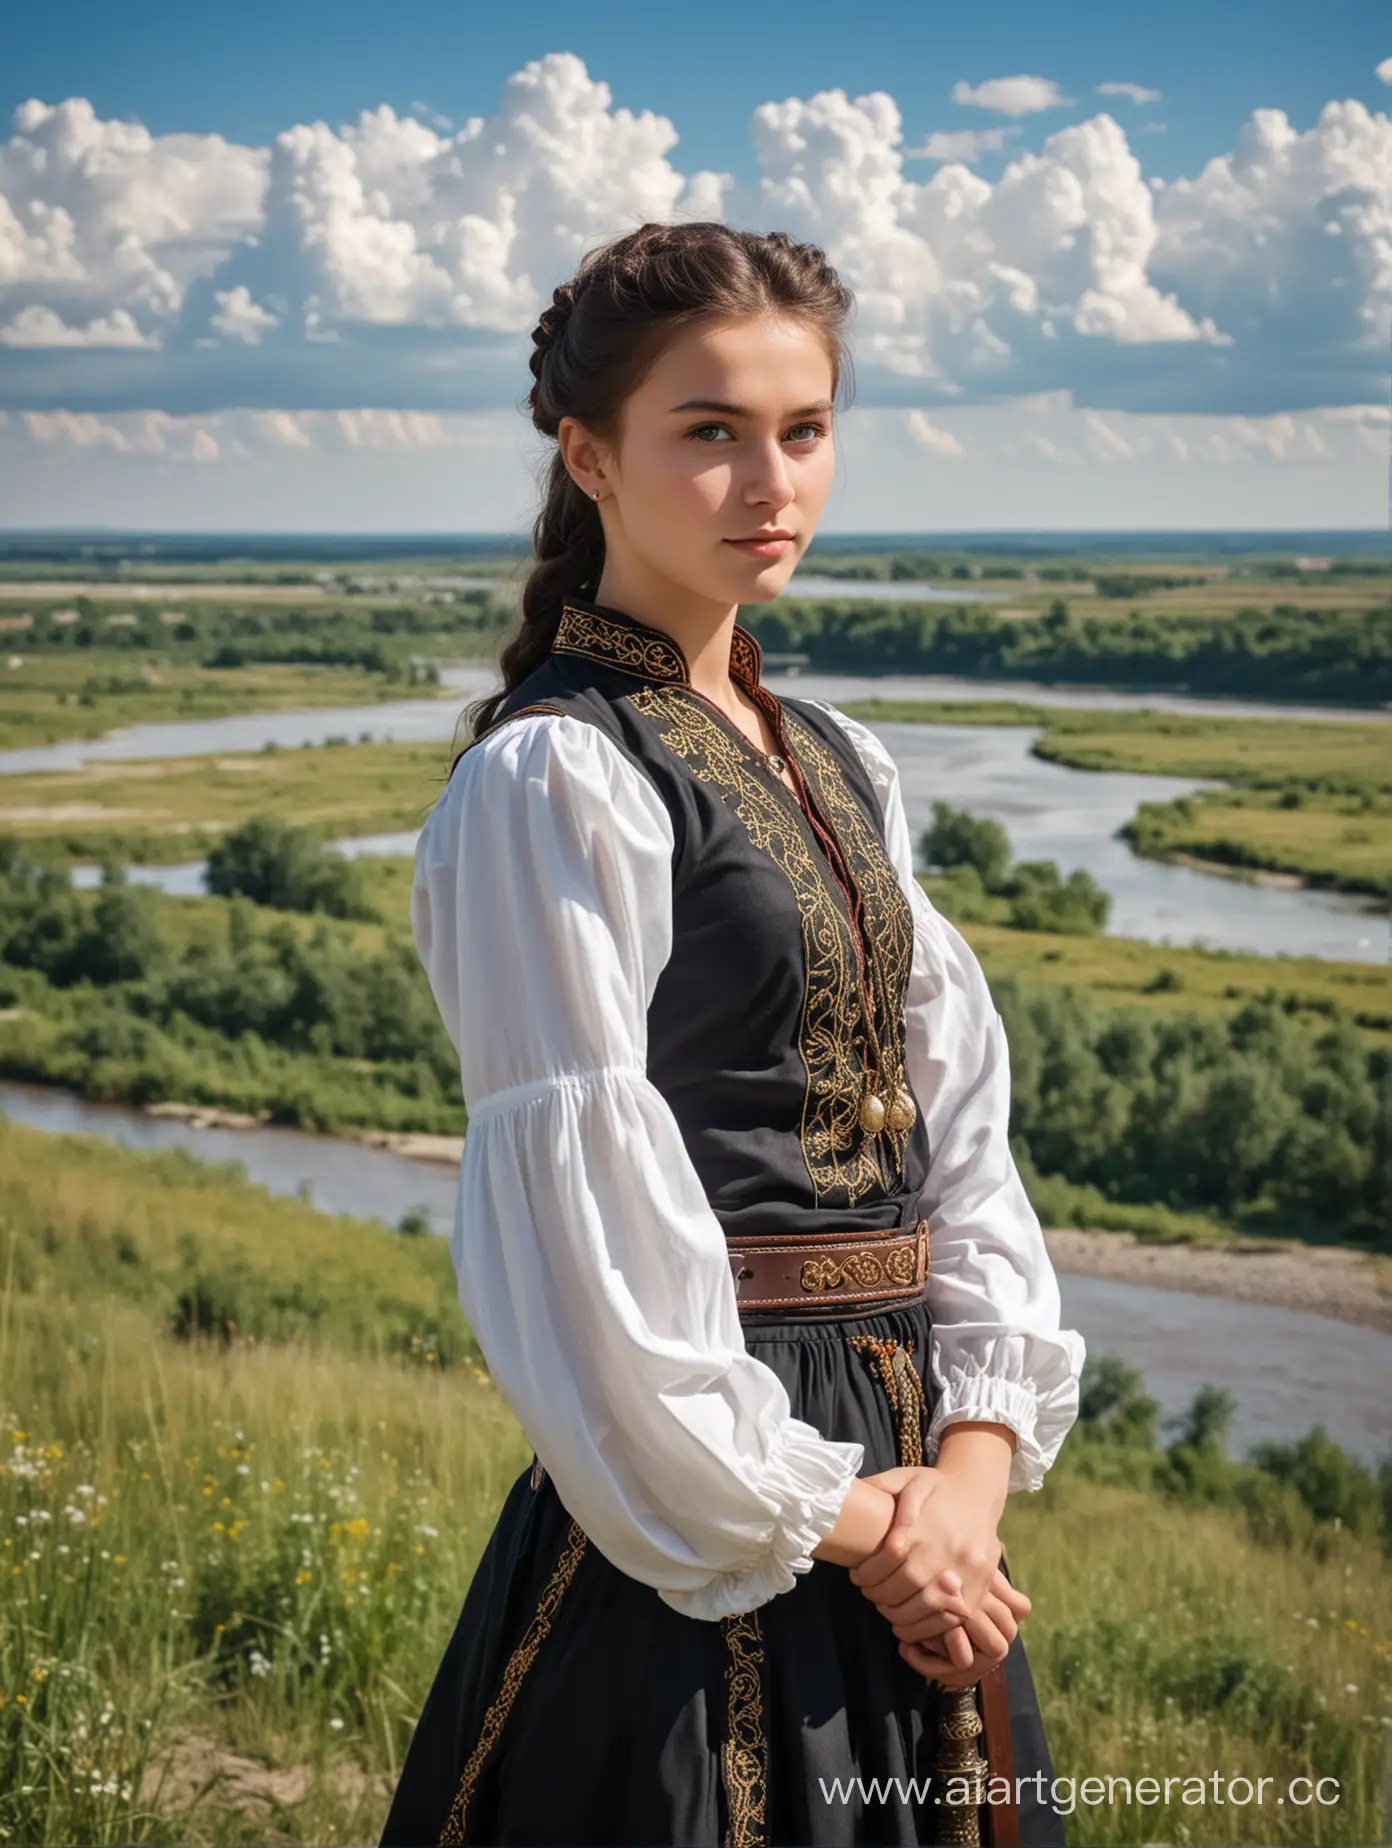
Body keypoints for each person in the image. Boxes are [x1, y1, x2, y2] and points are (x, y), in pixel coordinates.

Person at [379, 220, 1085, 1848]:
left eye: (804, 430)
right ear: (589, 454)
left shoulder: (839, 756)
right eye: (709, 432)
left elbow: (957, 1147)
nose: (770, 482)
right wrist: (847, 1522)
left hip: (915, 1495)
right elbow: (585, 1245)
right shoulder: (553, 776)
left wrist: (963, 1492)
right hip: (707, 1515)